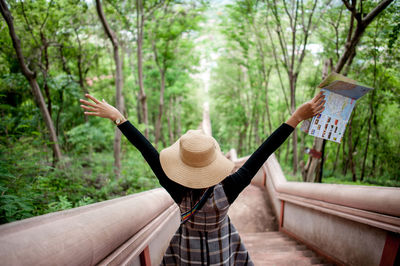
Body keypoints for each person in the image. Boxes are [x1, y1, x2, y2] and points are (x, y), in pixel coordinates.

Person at [79, 92, 325, 265]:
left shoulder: (176, 189)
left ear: (180, 163)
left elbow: (147, 150)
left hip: (188, 255)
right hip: (222, 252)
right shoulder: (230, 187)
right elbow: (263, 152)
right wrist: (295, 117)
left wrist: (118, 117)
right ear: (213, 161)